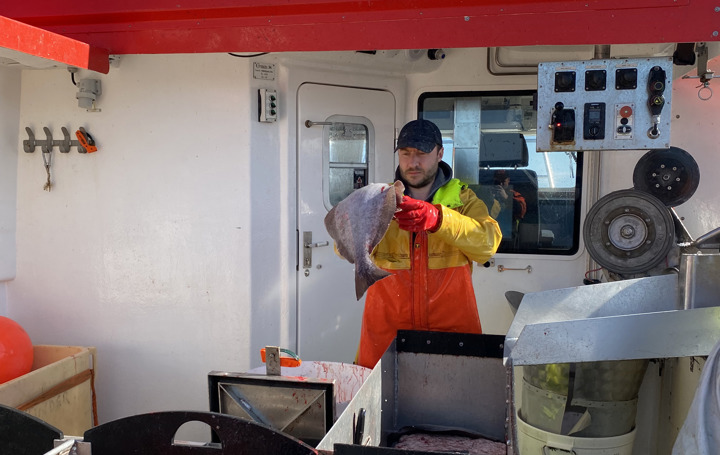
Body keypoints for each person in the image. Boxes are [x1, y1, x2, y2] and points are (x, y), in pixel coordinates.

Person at [356, 119, 502, 368]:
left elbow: (488, 244)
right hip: (385, 341)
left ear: (440, 153)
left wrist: (439, 219)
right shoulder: (378, 199)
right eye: (405, 153)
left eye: (421, 153)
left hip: (453, 342)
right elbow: (342, 249)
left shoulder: (463, 200)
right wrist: (359, 223)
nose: (412, 162)